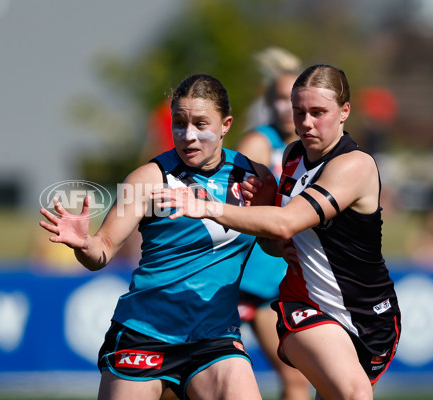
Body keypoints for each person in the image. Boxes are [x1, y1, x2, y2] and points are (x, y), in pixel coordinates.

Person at [151, 64, 401, 400]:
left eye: (318, 112)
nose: (306, 123)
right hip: (305, 304)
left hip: (370, 313)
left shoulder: (354, 165)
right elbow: (275, 242)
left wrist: (208, 207)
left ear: (344, 112)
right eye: (300, 112)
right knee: (353, 394)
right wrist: (267, 217)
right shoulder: (293, 156)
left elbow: (286, 222)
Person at [40, 73, 276, 400]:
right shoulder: (149, 178)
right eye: (179, 123)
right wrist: (85, 244)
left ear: (226, 124)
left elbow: (274, 245)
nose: (188, 135)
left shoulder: (254, 178)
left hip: (214, 337)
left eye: (200, 124)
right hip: (145, 333)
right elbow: (103, 250)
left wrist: (263, 212)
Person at [236, 68, 312, 400]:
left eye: (291, 99)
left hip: (286, 276)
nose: (285, 107)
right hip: (250, 279)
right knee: (295, 381)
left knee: (297, 380)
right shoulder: (259, 141)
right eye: (279, 99)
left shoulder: (312, 149)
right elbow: (236, 203)